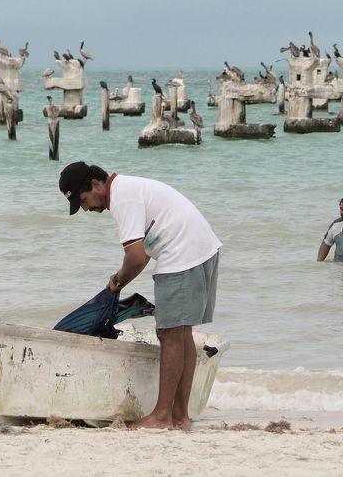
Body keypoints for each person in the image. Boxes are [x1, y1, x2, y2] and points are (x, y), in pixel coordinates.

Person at [58, 161, 221, 430]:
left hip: (183, 253)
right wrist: (119, 278)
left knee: (169, 333)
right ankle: (180, 417)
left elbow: (136, 258)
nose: (85, 208)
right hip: (201, 248)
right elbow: (141, 254)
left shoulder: (122, 198)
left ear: (96, 184)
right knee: (181, 334)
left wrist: (117, 283)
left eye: (83, 200)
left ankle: (161, 416)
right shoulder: (128, 189)